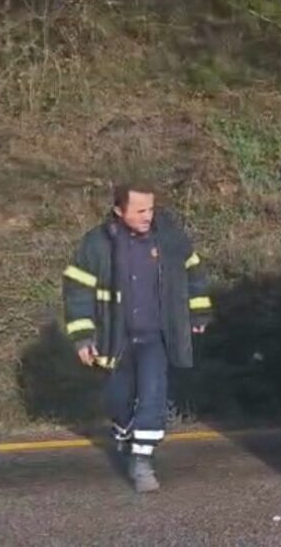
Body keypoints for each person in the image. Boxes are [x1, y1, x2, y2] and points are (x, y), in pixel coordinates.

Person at [62, 182, 213, 492]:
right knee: (117, 400)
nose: (148, 216)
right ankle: (123, 430)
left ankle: (141, 461)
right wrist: (83, 337)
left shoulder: (169, 238)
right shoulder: (96, 244)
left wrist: (198, 313)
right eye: (140, 210)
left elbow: (193, 273)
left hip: (156, 336)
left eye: (151, 209)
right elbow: (77, 291)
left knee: (153, 395)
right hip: (114, 338)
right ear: (119, 210)